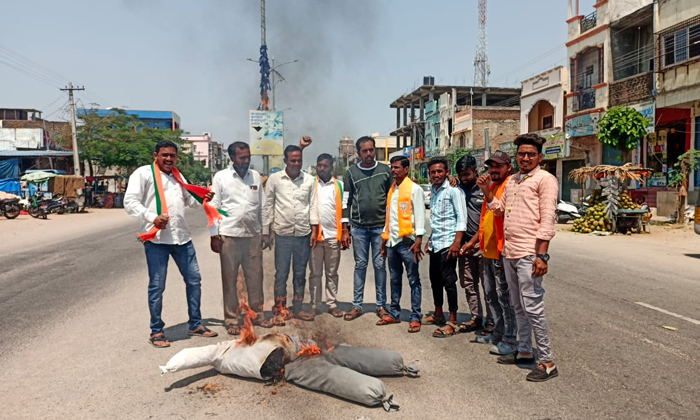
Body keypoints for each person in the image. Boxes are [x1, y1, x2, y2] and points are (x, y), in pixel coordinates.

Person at [477, 133, 559, 382]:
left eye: (530, 154)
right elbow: (499, 210)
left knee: (533, 306)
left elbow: (547, 218)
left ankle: (546, 361)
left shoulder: (546, 180)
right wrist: (487, 192)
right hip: (509, 252)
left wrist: (542, 254)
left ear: (540, 157)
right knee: (517, 306)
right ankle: (524, 350)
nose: (525, 157)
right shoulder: (513, 180)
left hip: (529, 253)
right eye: (522, 154)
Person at [124, 140, 218, 348]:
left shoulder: (178, 176)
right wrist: (151, 217)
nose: (168, 159)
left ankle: (195, 323)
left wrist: (203, 197)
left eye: (172, 156)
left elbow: (188, 201)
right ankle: (156, 331)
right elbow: (130, 202)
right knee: (157, 286)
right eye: (164, 155)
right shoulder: (143, 174)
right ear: (155, 155)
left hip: (182, 238)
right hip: (157, 239)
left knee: (194, 281)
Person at [209, 142, 272, 335]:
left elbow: (262, 206)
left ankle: (257, 315)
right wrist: (214, 235)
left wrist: (266, 231)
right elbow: (213, 205)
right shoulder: (221, 177)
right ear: (232, 158)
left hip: (252, 236)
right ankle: (232, 319)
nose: (246, 161)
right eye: (242, 157)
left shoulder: (255, 176)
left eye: (248, 157)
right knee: (230, 279)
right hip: (229, 236)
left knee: (255, 278)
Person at [262, 144, 319, 324]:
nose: (296, 163)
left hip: (303, 233)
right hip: (282, 234)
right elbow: (268, 205)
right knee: (282, 273)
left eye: (299, 160)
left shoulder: (309, 180)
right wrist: (266, 231)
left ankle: (298, 307)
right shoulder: (275, 179)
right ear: (285, 160)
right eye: (292, 160)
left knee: (300, 273)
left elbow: (313, 206)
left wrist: (314, 230)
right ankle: (280, 307)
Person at [341, 136, 393, 321]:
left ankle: (381, 305)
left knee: (380, 266)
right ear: (358, 153)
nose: (369, 154)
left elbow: (393, 196)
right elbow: (346, 200)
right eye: (365, 151)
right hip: (359, 229)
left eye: (371, 150)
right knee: (360, 266)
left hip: (380, 228)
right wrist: (345, 229)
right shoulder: (351, 173)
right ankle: (357, 305)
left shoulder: (385, 171)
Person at [474, 150, 518, 356]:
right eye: (491, 166)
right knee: (491, 295)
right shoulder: (492, 185)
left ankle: (510, 338)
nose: (493, 170)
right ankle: (498, 332)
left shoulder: (511, 186)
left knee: (504, 297)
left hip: (502, 250)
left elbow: (501, 211)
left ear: (508, 167)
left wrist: (487, 192)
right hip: (488, 250)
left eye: (498, 166)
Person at [378, 156, 426, 332]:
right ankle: (394, 313)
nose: (393, 170)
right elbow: (389, 217)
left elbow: (420, 215)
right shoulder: (392, 190)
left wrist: (419, 239)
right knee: (394, 279)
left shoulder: (415, 189)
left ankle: (415, 317)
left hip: (408, 243)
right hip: (392, 242)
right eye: (392, 167)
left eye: (397, 167)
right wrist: (384, 241)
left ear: (406, 169)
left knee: (414, 280)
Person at [424, 156, 468, 338]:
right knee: (435, 281)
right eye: (433, 172)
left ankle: (453, 320)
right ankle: (438, 313)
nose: (436, 175)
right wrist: (430, 239)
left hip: (449, 245)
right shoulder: (434, 192)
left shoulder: (454, 191)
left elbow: (461, 218)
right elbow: (436, 220)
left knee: (449, 282)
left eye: (440, 171)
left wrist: (457, 243)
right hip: (436, 243)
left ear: (447, 172)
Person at [455, 155, 492, 335]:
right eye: (460, 175)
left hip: (482, 245)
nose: (464, 178)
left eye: (467, 174)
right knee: (468, 283)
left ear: (475, 171)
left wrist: (472, 242)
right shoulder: (458, 188)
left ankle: (492, 322)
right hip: (464, 246)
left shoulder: (485, 188)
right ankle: (476, 317)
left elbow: (485, 222)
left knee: (488, 285)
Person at [308, 153, 346, 318]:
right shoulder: (310, 185)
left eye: (325, 166)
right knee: (315, 273)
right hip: (315, 237)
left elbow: (344, 209)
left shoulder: (340, 186)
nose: (322, 169)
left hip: (333, 236)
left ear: (332, 167)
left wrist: (345, 231)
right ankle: (315, 304)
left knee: (332, 273)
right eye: (319, 165)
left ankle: (331, 303)